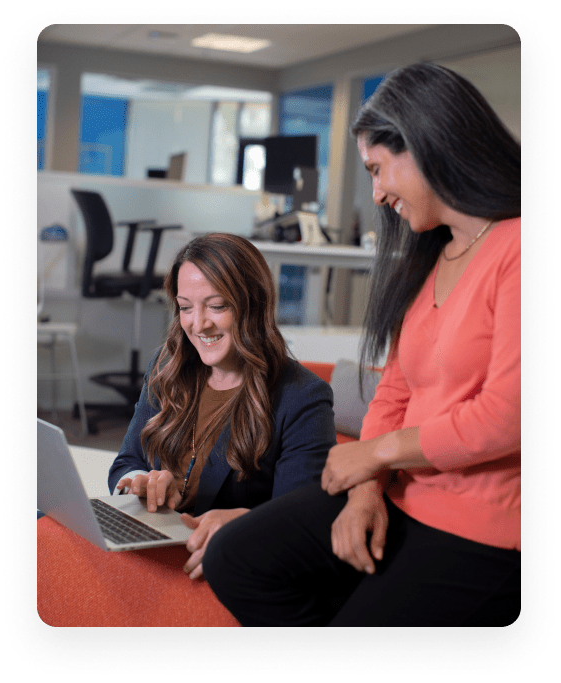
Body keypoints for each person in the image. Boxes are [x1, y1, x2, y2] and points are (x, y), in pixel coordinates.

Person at [202, 62, 522, 626]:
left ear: (427, 145)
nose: (375, 194)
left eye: (378, 170)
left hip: (485, 526)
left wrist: (373, 455)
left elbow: (509, 416)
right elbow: (394, 390)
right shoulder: (432, 254)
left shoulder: (522, 248)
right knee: (235, 557)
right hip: (399, 496)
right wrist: (366, 490)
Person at [108, 232, 336, 580]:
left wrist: (243, 522)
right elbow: (126, 463)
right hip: (149, 544)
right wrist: (140, 482)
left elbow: (302, 521)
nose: (198, 324)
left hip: (219, 563)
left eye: (217, 306)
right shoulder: (166, 365)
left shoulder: (302, 396)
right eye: (186, 307)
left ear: (253, 305)